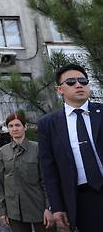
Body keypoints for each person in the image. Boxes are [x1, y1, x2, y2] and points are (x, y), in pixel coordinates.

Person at [38, 63, 103, 232]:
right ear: (60, 89)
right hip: (83, 199)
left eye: (83, 80)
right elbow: (49, 170)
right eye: (71, 82)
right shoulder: (49, 124)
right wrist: (57, 207)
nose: (78, 85)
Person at [0, 112, 53, 232]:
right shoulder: (3, 152)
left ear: (25, 127)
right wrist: (3, 211)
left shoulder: (37, 148)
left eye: (18, 125)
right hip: (14, 210)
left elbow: (46, 180)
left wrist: (48, 207)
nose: (14, 129)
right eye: (11, 126)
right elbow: (1, 184)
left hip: (38, 207)